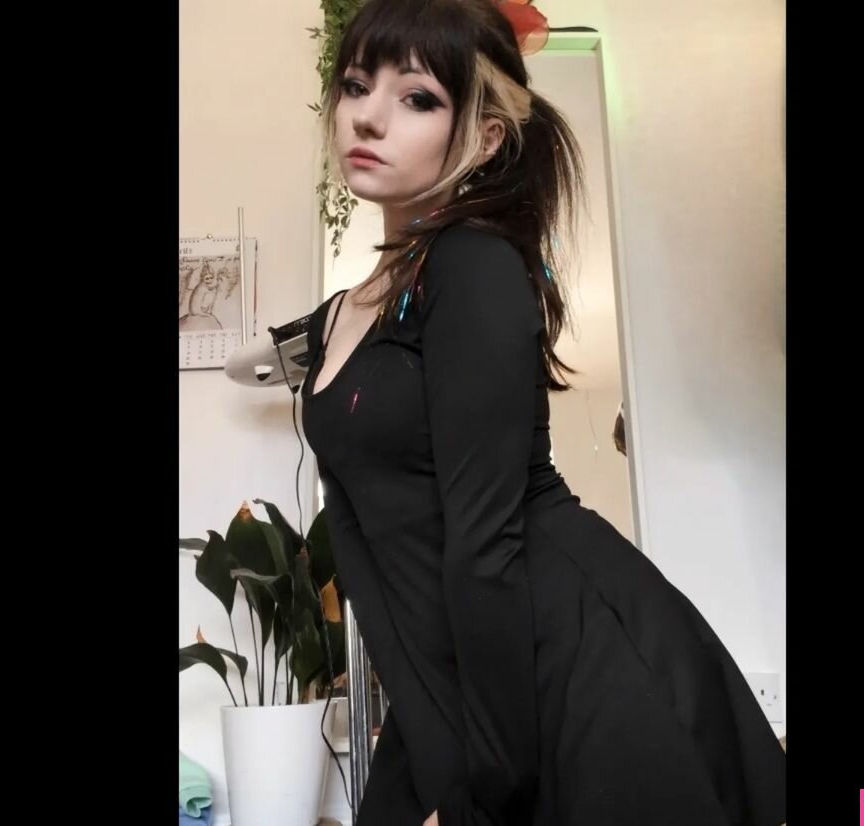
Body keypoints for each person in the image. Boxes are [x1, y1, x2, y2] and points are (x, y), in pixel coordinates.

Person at [300, 0, 787, 824]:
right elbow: (362, 553)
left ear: (486, 137)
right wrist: (431, 738)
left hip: (557, 657)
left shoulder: (472, 265)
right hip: (464, 677)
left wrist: (487, 785)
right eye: (355, 85)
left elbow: (484, 541)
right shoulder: (339, 316)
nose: (369, 116)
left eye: (417, 98)